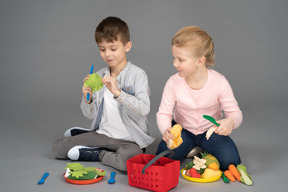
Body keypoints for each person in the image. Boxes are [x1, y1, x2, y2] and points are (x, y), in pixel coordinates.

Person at [52, 16, 154, 171]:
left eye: (113, 48)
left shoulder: (138, 75)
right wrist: (88, 98)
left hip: (129, 140)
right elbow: (90, 115)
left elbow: (144, 109)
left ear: (127, 46)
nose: (107, 54)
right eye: (102, 49)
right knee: (58, 148)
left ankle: (98, 154)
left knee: (128, 161)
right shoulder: (99, 76)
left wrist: (118, 93)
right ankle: (86, 136)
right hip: (103, 134)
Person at [156, 26, 242, 171]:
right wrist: (166, 129)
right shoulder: (173, 82)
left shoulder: (220, 82)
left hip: (210, 131)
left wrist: (230, 122)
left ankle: (198, 148)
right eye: (174, 58)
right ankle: (193, 148)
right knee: (162, 161)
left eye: (180, 60)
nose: (174, 64)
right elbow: (164, 113)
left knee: (230, 162)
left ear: (200, 61)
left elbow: (235, 113)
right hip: (182, 131)